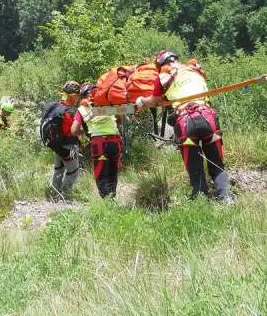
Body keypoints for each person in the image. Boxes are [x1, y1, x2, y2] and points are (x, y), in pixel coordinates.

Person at [135, 51, 235, 205]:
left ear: (161, 64)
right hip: (208, 117)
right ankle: (226, 198)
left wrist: (141, 101)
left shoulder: (163, 77)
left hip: (185, 121)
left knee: (194, 166)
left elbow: (153, 101)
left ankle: (201, 199)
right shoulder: (195, 70)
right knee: (216, 164)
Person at [70, 83, 124, 198]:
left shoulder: (82, 108)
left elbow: (74, 130)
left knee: (100, 173)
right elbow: (120, 118)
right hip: (115, 142)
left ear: (83, 96)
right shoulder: (107, 103)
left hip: (99, 144)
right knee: (112, 172)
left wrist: (84, 131)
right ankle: (112, 197)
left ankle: (107, 203)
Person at [44, 80, 81, 199]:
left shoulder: (56, 107)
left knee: (58, 169)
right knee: (73, 171)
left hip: (56, 145)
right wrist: (83, 131)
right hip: (69, 146)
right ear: (74, 95)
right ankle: (66, 194)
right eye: (78, 94)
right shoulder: (70, 111)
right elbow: (71, 131)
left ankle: (55, 193)